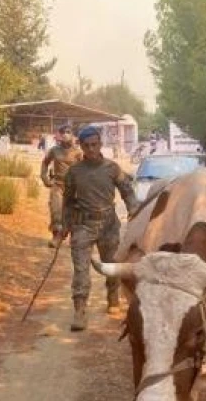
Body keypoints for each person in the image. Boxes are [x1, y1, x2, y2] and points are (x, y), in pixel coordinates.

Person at [60, 125, 139, 331]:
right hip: (83, 226)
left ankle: (113, 298)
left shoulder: (112, 168)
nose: (91, 149)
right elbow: (67, 201)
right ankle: (79, 311)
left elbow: (128, 192)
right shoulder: (74, 172)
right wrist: (64, 225)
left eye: (94, 144)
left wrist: (134, 211)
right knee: (80, 270)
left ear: (100, 144)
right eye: (86, 146)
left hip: (108, 225)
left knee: (111, 265)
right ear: (82, 147)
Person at [40, 124, 83, 247]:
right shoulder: (54, 150)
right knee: (56, 210)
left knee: (74, 212)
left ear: (73, 135)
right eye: (63, 132)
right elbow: (45, 163)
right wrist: (44, 178)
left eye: (68, 132)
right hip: (57, 185)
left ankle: (74, 238)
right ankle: (56, 236)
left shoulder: (78, 152)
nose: (65, 134)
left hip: (73, 187)